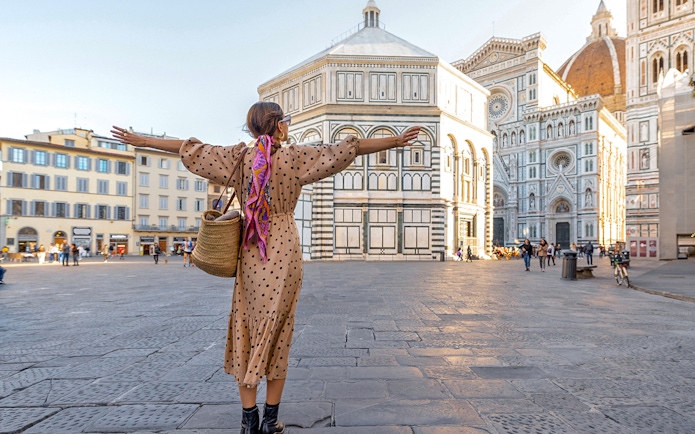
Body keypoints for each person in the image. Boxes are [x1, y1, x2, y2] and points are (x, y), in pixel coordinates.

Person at [112, 102, 420, 434]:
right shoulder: (295, 157)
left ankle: (249, 421)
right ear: (279, 126)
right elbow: (350, 148)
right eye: (286, 121)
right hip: (284, 249)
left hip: (250, 251)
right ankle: (271, 420)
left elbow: (191, 149)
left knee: (247, 324)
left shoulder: (239, 157)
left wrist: (142, 140)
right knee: (278, 332)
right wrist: (396, 140)